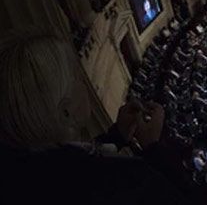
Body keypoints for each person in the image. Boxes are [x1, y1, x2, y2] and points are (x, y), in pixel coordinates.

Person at [0, 28, 191, 204]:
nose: (84, 81)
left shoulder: (25, 173)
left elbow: (72, 168)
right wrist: (153, 147)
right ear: (66, 112)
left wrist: (117, 136)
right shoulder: (128, 181)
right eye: (77, 76)